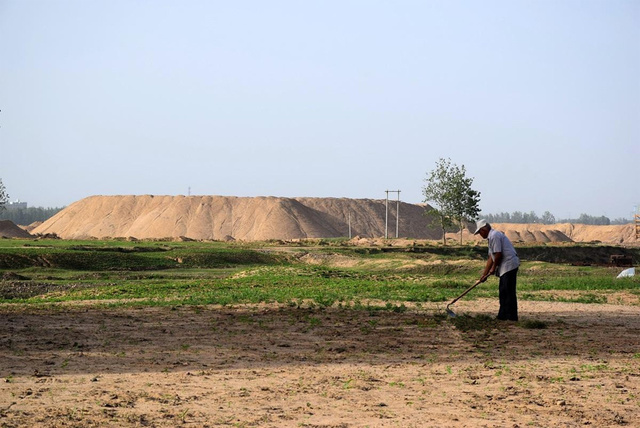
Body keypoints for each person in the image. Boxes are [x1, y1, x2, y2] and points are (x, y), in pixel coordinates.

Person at [473, 219, 520, 321]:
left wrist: (493, 269)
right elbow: (491, 257)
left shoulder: (494, 236)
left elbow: (498, 255)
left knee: (507, 291)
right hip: (505, 266)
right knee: (503, 291)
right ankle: (503, 316)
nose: (480, 235)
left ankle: (510, 317)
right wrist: (484, 275)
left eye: (480, 232)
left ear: (484, 229)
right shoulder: (491, 238)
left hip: (509, 265)